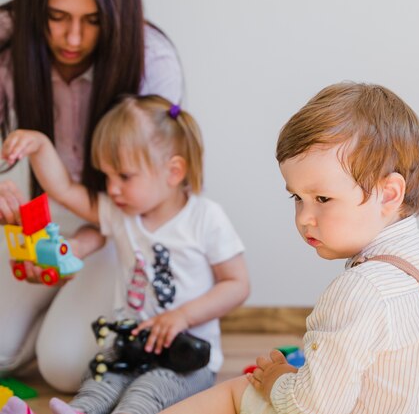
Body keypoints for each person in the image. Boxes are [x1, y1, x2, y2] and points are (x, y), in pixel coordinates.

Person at [158, 82, 419, 414]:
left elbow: (309, 409)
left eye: (322, 199)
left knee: (241, 390)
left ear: (388, 194)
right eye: (297, 197)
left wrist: (278, 380)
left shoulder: (359, 291)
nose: (304, 218)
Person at [0, 94, 250, 414]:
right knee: (99, 378)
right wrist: (40, 146)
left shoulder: (205, 218)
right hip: (128, 346)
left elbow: (237, 284)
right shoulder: (121, 214)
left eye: (124, 176)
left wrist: (183, 316)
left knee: (144, 393)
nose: (112, 188)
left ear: (173, 172)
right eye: (107, 176)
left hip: (183, 358)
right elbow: (62, 189)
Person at [0, 0, 184, 392]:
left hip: (125, 225)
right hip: (60, 217)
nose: (73, 37)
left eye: (92, 21)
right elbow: (61, 189)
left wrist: (87, 241)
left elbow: (145, 203)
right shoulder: (7, 33)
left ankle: (59, 312)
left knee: (64, 369)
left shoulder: (152, 59)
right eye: (57, 17)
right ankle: (48, 310)